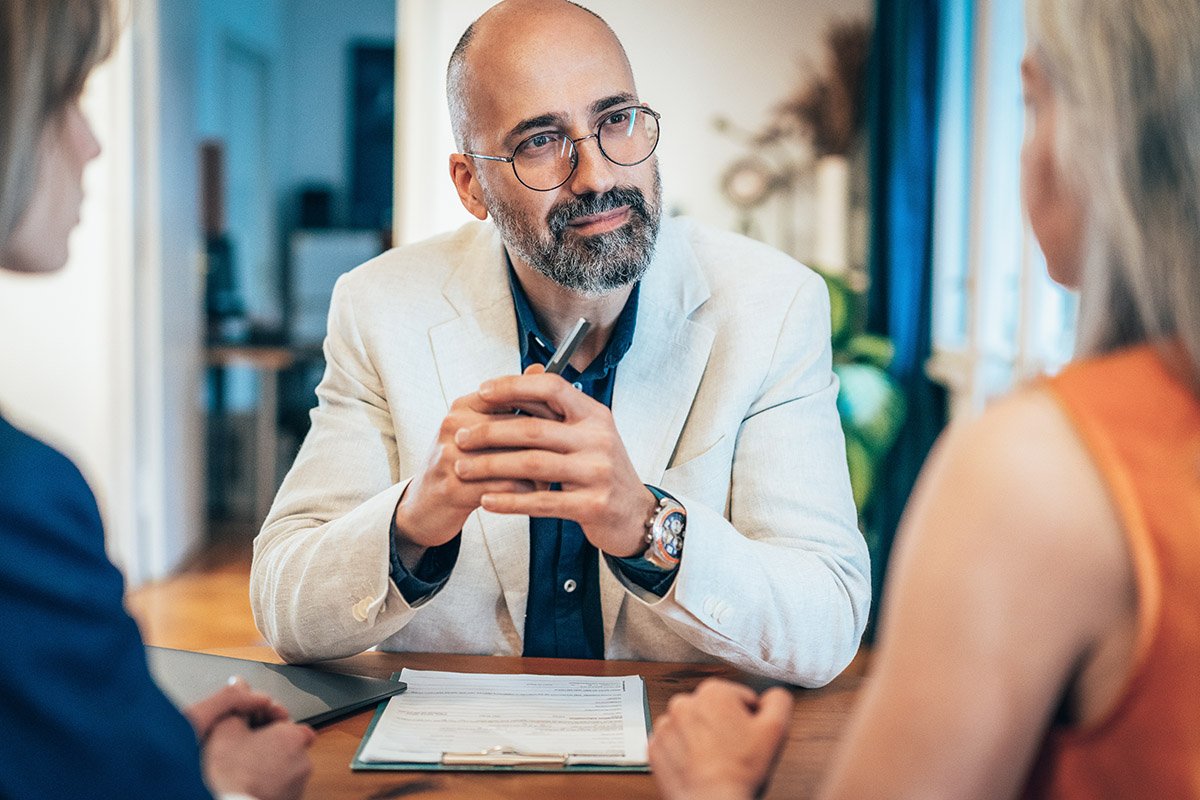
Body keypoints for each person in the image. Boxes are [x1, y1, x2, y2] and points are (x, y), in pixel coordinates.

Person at [648, 0, 1200, 797]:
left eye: (1032, 103)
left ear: (1110, 139)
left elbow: (827, 614)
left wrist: (714, 786)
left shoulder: (1042, 467)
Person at [251, 0, 869, 686]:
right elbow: (283, 605)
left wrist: (648, 527)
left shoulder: (771, 306)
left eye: (616, 120)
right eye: (540, 140)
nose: (598, 175)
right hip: (462, 768)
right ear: (470, 185)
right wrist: (413, 523)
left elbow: (828, 623)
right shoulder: (379, 306)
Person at [0, 2, 314, 798]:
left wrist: (151, 747)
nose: (92, 140)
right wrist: (227, 789)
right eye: (64, 98)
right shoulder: (25, 499)